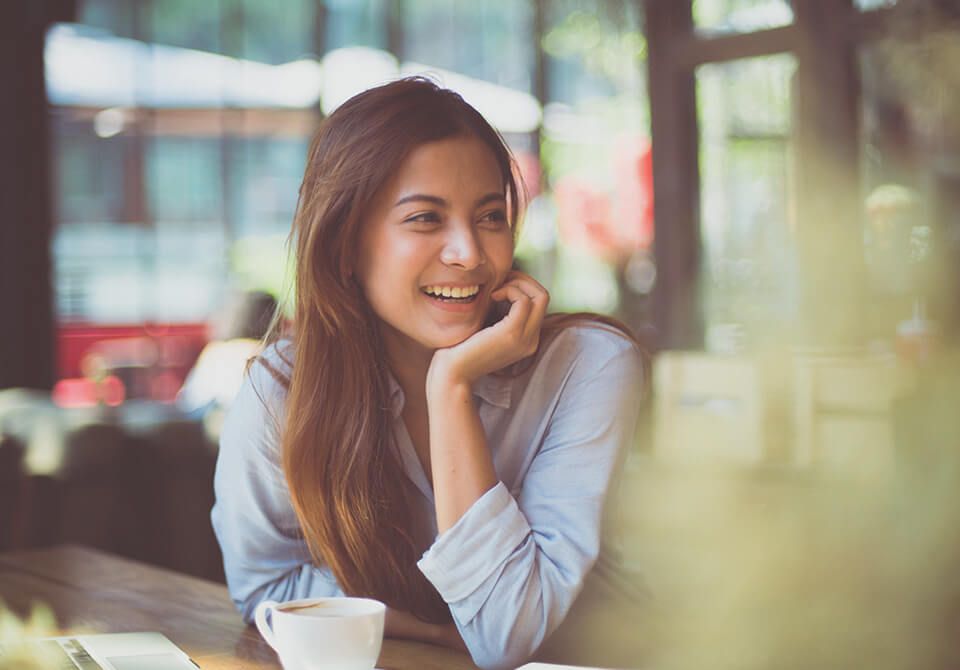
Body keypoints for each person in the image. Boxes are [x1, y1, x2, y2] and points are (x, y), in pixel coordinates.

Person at [211, 77, 646, 670]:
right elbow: (267, 592)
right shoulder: (282, 391)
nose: (470, 252)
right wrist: (444, 633)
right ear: (345, 245)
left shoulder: (588, 367)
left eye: (490, 216)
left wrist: (451, 389)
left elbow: (506, 633)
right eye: (424, 219)